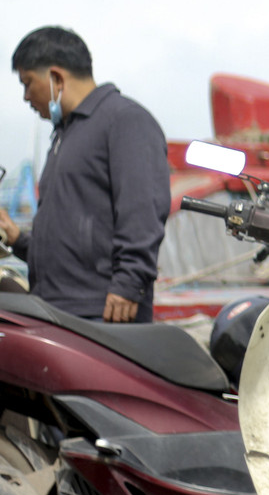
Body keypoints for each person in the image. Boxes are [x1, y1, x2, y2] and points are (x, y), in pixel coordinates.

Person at [0, 27, 170, 323]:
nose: (26, 96)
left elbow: (142, 210)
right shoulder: (64, 135)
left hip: (101, 312)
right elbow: (71, 237)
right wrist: (17, 239)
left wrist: (129, 283)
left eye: (28, 83)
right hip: (56, 308)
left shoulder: (124, 120)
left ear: (56, 77)